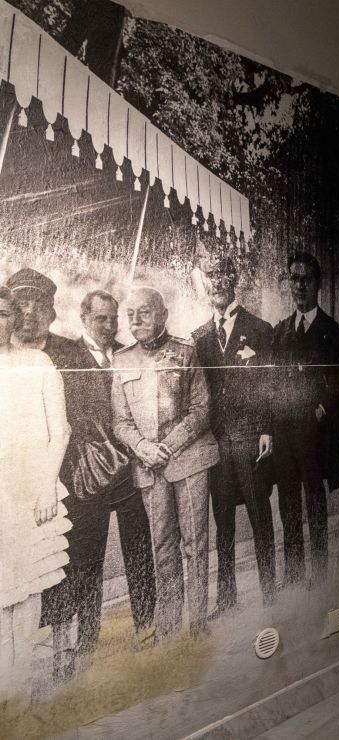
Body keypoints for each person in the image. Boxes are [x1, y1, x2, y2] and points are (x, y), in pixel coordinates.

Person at [112, 287, 218, 640]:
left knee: (195, 544)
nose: (136, 320)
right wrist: (143, 447)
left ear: (162, 314)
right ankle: (171, 628)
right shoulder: (122, 360)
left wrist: (166, 447)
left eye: (144, 312)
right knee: (163, 547)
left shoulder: (185, 352)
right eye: (130, 315)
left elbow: (202, 410)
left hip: (188, 461)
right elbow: (120, 422)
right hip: (148, 467)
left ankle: (198, 625)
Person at [6, 268, 88, 679]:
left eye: (39, 304)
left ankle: (64, 651)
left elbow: (84, 420)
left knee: (57, 569)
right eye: (20, 305)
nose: (28, 313)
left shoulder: (65, 356)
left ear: (52, 310)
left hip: (62, 480)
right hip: (10, 487)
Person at [67, 290, 157, 650]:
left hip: (129, 471)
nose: (108, 325)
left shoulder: (125, 355)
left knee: (138, 548)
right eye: (101, 318)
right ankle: (88, 639)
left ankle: (147, 626)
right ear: (84, 318)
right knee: (89, 559)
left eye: (113, 318)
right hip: (90, 474)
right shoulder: (67, 356)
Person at [192, 256, 277, 614]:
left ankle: (271, 596)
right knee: (222, 521)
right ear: (204, 284)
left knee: (260, 517)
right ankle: (226, 599)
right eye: (210, 276)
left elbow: (271, 384)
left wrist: (268, 428)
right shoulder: (199, 338)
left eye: (223, 274)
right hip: (217, 444)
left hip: (250, 436)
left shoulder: (260, 329)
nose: (217, 282)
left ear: (234, 278)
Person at [0, 284, 71, 697]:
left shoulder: (39, 362)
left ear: (16, 317)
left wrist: (47, 487)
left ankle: (21, 681)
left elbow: (59, 431)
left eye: (5, 313)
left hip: (33, 492)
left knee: (28, 585)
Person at [271, 252, 339, 588]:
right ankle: (294, 572)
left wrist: (321, 409)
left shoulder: (333, 332)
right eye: (294, 278)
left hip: (314, 435)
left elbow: (337, 384)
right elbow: (272, 382)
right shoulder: (281, 332)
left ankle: (319, 573)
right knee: (288, 504)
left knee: (314, 503)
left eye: (306, 279)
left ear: (318, 284)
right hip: (285, 434)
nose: (299, 285)